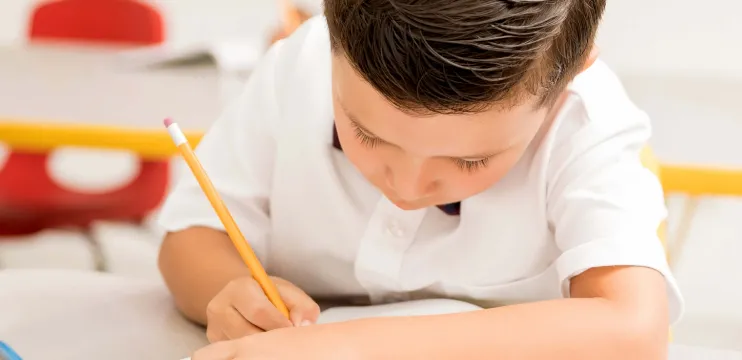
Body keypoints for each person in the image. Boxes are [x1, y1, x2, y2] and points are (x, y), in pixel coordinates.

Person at [157, 0, 684, 359]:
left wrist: (349, 348)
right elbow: (190, 241)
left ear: (571, 73)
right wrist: (227, 292)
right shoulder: (300, 65)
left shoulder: (586, 123)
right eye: (367, 133)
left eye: (471, 161)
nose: (407, 188)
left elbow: (635, 330)